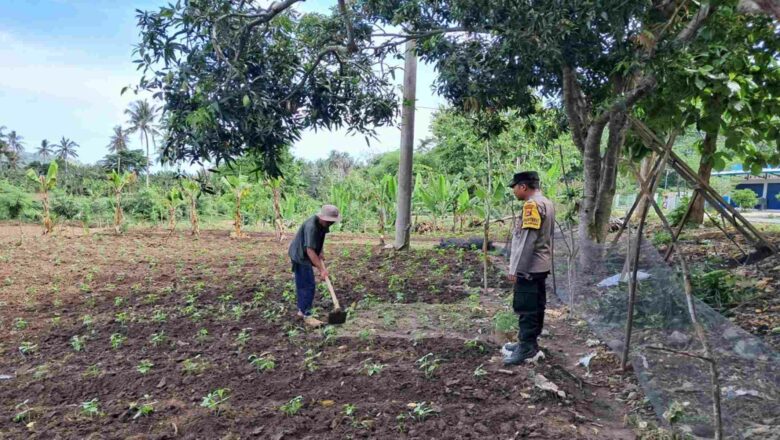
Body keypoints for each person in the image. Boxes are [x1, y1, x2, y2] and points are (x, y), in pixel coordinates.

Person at [503, 171, 555, 365]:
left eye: (515, 187)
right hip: (540, 264)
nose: (514, 191)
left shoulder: (532, 205)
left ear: (523, 187)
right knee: (536, 305)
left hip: (530, 266)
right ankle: (528, 343)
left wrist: (517, 269)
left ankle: (526, 348)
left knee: (526, 307)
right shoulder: (546, 202)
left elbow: (527, 240)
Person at [288, 204, 341, 327]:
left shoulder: (324, 224)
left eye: (332, 221)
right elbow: (310, 251)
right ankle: (306, 315)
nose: (330, 224)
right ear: (322, 217)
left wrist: (321, 250)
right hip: (300, 255)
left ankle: (302, 311)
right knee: (307, 284)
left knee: (305, 284)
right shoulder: (311, 226)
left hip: (308, 252)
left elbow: (319, 239)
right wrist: (322, 269)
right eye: (329, 221)